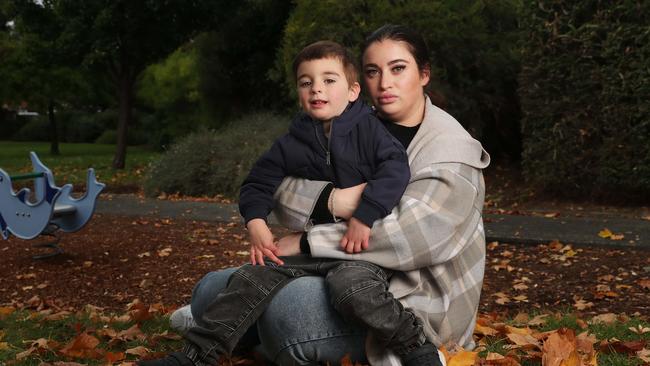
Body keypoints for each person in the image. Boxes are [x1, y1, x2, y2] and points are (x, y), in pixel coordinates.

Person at [171, 24, 490, 365]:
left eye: (398, 68)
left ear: (424, 74)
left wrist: (308, 240)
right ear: (360, 82)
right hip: (337, 265)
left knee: (288, 308)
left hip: (411, 294)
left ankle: (264, 335)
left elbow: (408, 238)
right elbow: (280, 190)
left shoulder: (452, 151)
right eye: (373, 71)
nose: (384, 83)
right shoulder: (348, 123)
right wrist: (336, 201)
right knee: (210, 290)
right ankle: (237, 335)